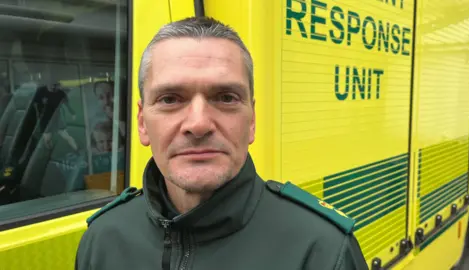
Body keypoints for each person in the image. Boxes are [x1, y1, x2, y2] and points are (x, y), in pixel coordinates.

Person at [75, 17, 369, 270]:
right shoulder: (103, 239)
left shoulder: (323, 251)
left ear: (252, 120)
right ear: (142, 123)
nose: (199, 124)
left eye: (226, 98)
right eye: (170, 99)